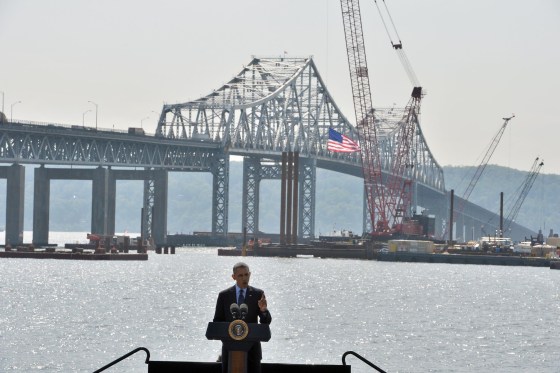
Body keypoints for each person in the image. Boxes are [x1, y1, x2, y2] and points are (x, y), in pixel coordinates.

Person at [213, 262, 271, 373]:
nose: (244, 278)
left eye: (246, 275)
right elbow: (217, 321)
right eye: (240, 275)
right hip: (230, 350)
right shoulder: (224, 295)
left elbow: (266, 322)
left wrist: (263, 310)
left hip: (252, 350)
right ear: (233, 277)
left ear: (250, 274)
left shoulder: (258, 294)